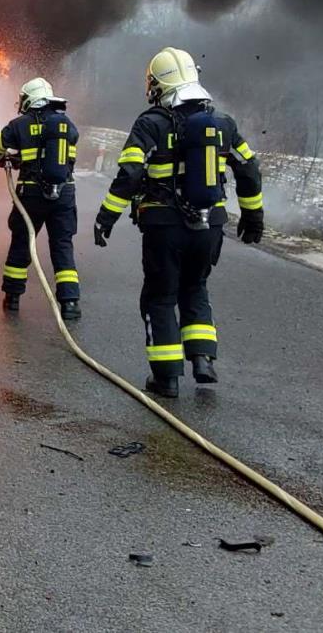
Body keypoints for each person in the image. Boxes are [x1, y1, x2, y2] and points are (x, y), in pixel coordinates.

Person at [92, 47, 264, 398]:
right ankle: (202, 360)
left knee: (159, 296)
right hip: (209, 226)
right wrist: (253, 215)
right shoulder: (222, 124)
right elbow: (249, 169)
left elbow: (129, 174)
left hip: (164, 226)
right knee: (195, 287)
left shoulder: (150, 124)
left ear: (158, 84)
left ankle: (166, 378)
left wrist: (106, 216)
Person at [0, 77, 82, 320]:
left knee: (22, 242)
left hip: (31, 195)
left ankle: (13, 297)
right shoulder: (66, 125)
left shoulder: (20, 124)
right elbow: (54, 157)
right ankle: (70, 303)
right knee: (62, 245)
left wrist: (10, 155)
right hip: (64, 194)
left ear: (28, 100)